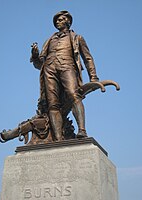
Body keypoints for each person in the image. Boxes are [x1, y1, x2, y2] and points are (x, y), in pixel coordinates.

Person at [30, 10, 99, 141]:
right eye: (56, 20)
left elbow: (87, 58)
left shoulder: (77, 38)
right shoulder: (49, 40)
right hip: (49, 70)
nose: (57, 22)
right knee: (52, 104)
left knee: (74, 95)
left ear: (67, 22)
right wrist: (34, 55)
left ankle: (82, 130)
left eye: (60, 19)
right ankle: (58, 138)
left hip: (67, 67)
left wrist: (93, 76)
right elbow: (39, 64)